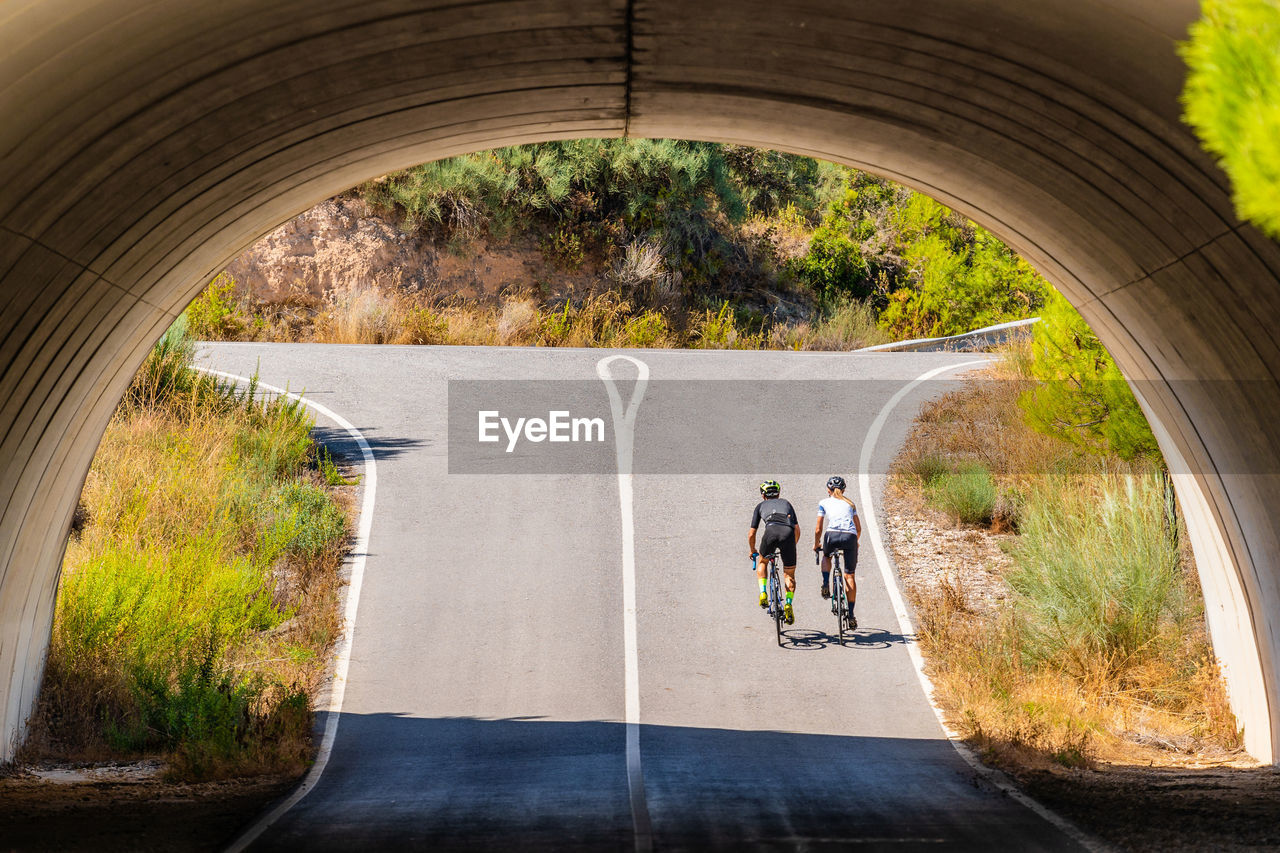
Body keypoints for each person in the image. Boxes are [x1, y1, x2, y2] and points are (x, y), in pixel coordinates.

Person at [748, 479, 800, 624]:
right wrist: (790, 545)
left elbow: (752, 534)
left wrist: (753, 550)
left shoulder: (760, 506)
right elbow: (797, 530)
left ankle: (763, 592)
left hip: (770, 533)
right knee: (789, 573)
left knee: (763, 561)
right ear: (778, 493)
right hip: (788, 535)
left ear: (763, 495)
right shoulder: (786, 504)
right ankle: (788, 603)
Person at [814, 475, 861, 629]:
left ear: (828, 490)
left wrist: (816, 544)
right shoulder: (850, 503)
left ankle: (826, 583)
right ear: (844, 489)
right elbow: (858, 528)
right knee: (849, 575)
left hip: (831, 535)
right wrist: (856, 542)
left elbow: (818, 528)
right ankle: (852, 615)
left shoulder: (824, 502)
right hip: (850, 536)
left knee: (826, 556)